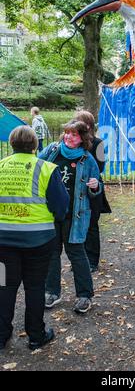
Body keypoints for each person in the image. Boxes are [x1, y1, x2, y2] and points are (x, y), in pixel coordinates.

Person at [0, 126, 69, 352]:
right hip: (39, 240)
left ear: (11, 144)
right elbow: (61, 206)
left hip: (2, 241)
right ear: (35, 144)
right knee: (35, 286)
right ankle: (36, 335)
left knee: (4, 286)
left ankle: (1, 336)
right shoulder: (47, 169)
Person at [39, 120, 102, 314]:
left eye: (73, 134)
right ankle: (52, 292)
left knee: (76, 253)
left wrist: (95, 186)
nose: (68, 137)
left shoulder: (87, 159)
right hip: (50, 213)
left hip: (74, 214)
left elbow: (98, 184)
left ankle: (84, 296)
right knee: (52, 252)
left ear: (82, 138)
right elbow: (36, 167)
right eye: (66, 133)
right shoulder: (52, 151)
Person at [74, 110, 111, 273]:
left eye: (78, 122)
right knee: (77, 225)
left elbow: (101, 167)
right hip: (76, 189)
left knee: (91, 226)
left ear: (87, 125)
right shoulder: (75, 143)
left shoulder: (98, 143)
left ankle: (92, 262)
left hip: (92, 188)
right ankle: (81, 260)